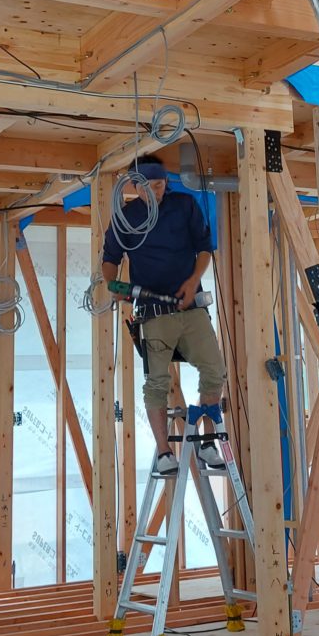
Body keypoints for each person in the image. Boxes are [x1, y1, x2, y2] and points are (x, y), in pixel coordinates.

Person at [101, 159, 228, 476]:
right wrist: (112, 284)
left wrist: (191, 280)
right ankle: (164, 453)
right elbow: (110, 259)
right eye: (146, 187)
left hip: (191, 307)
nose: (154, 192)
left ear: (165, 183)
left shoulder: (183, 205)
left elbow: (203, 249)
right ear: (134, 186)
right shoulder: (125, 218)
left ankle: (207, 442)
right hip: (153, 312)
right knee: (156, 382)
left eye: (158, 185)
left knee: (215, 370)